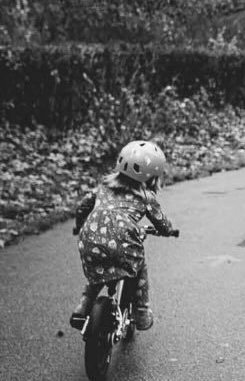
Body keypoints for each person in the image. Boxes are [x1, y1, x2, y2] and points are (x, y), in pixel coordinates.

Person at [69, 140, 176, 330]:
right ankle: (141, 311)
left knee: (100, 270)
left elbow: (82, 207)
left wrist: (79, 226)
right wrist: (168, 231)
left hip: (89, 240)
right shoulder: (145, 197)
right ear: (153, 176)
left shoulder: (102, 188)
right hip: (124, 245)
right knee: (139, 267)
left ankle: (83, 305)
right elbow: (161, 222)